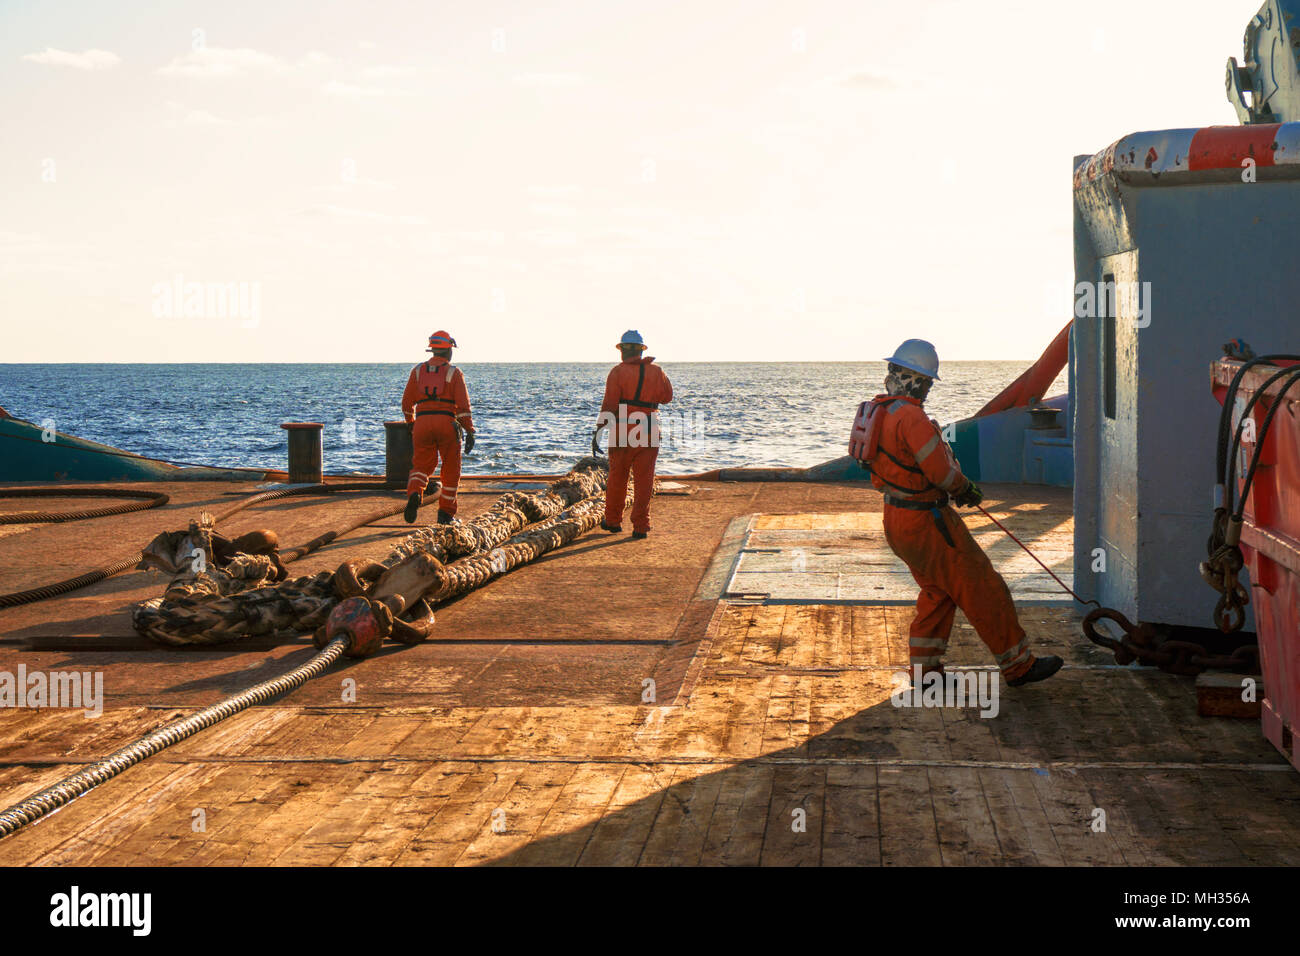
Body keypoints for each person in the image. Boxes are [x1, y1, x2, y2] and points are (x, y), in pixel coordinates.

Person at [849, 338, 1063, 687]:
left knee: (938, 592)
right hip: (927, 521)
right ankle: (1018, 666)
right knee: (981, 584)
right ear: (916, 379)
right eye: (928, 382)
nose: (928, 389)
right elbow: (940, 473)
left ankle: (925, 673)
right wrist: (964, 488)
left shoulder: (879, 412)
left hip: (896, 519)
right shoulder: (912, 418)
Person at [593, 330, 673, 539]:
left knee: (617, 479)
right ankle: (641, 526)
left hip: (623, 430)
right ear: (640, 350)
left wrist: (599, 431)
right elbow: (667, 398)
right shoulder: (657, 372)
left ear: (623, 350)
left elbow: (609, 405)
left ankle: (612, 522)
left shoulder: (617, 372)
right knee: (644, 481)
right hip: (648, 430)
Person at [401, 330, 475, 524]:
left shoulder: (417, 371)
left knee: (421, 466)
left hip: (422, 423)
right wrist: (469, 431)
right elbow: (463, 408)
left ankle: (415, 493)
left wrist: (411, 423)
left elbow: (407, 403)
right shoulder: (454, 372)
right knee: (451, 469)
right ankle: (445, 514)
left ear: (433, 350)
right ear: (448, 350)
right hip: (446, 424)